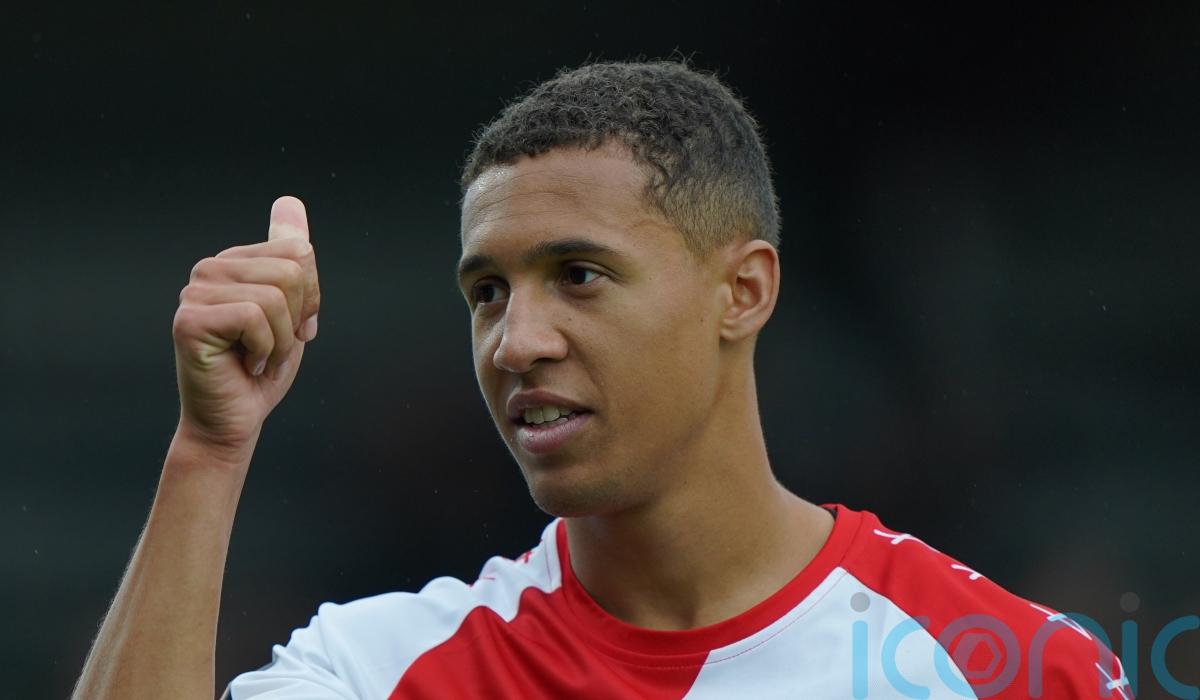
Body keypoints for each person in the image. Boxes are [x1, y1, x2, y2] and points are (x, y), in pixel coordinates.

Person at [73, 61, 1131, 699]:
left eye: (578, 275)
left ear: (744, 291)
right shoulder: (384, 667)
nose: (515, 341)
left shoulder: (1010, 668)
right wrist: (208, 453)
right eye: (487, 292)